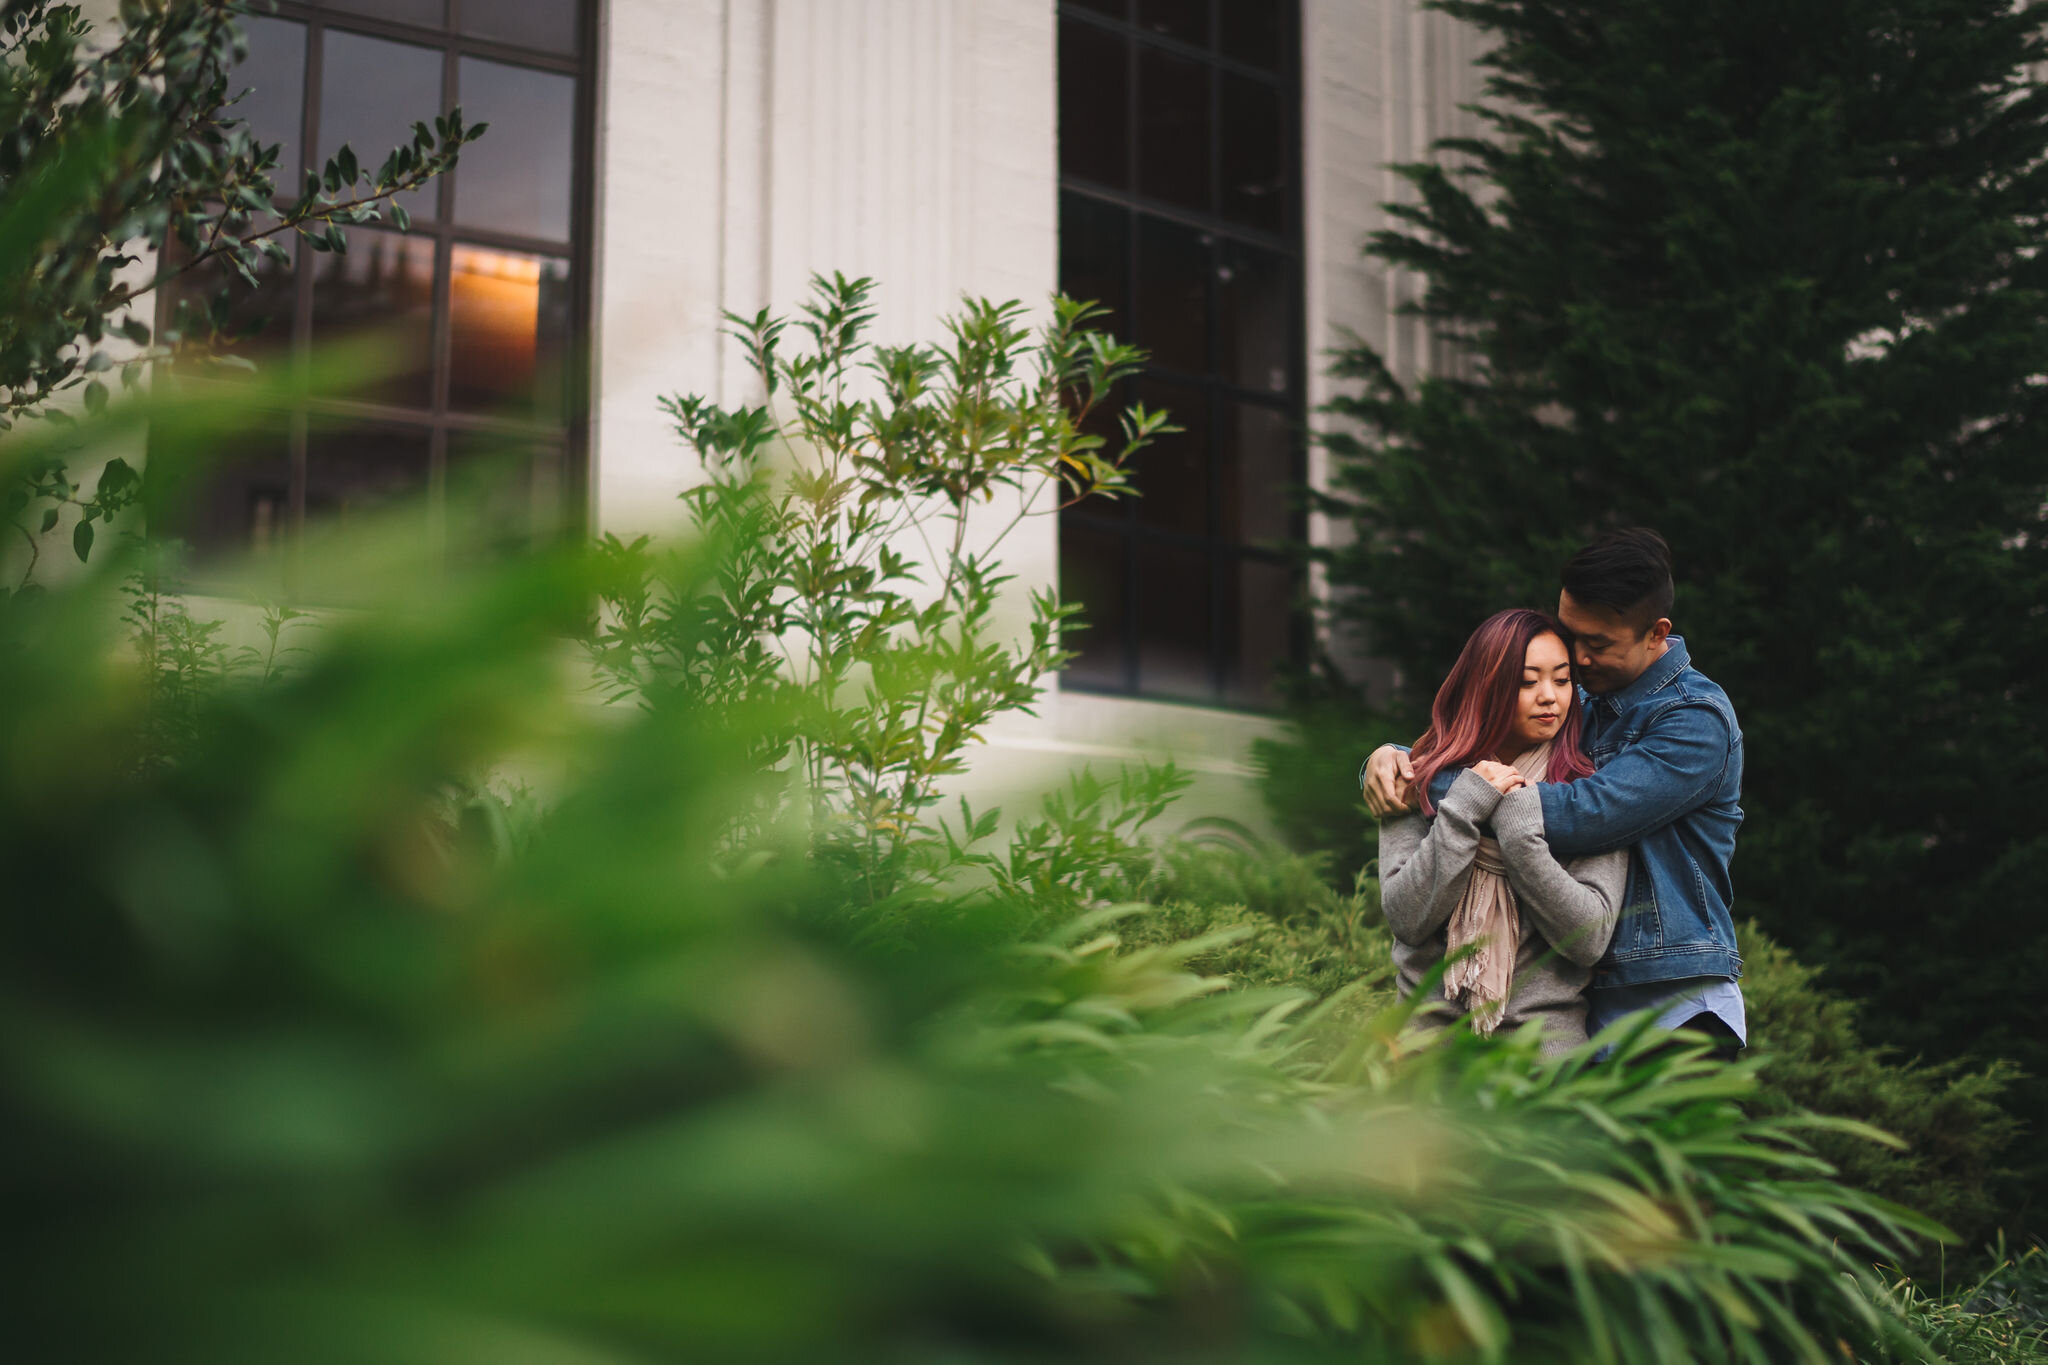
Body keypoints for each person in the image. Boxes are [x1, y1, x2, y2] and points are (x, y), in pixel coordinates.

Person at [1362, 529, 1747, 1056]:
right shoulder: (1580, 700)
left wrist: (1430, 781)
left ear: (1657, 633)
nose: (1579, 662)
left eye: (1598, 644)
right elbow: (1486, 739)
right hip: (1588, 1007)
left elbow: (1588, 813)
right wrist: (1389, 760)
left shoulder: (1694, 721)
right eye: (1572, 638)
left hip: (1670, 999)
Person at [1380, 609, 1628, 1055]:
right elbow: (1406, 917)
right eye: (1528, 682)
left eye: (1562, 679)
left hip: (1539, 1067)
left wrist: (1520, 831)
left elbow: (1589, 938)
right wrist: (1465, 809)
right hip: (1426, 1063)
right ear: (1488, 687)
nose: (1549, 697)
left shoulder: (1587, 795)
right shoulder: (1419, 781)